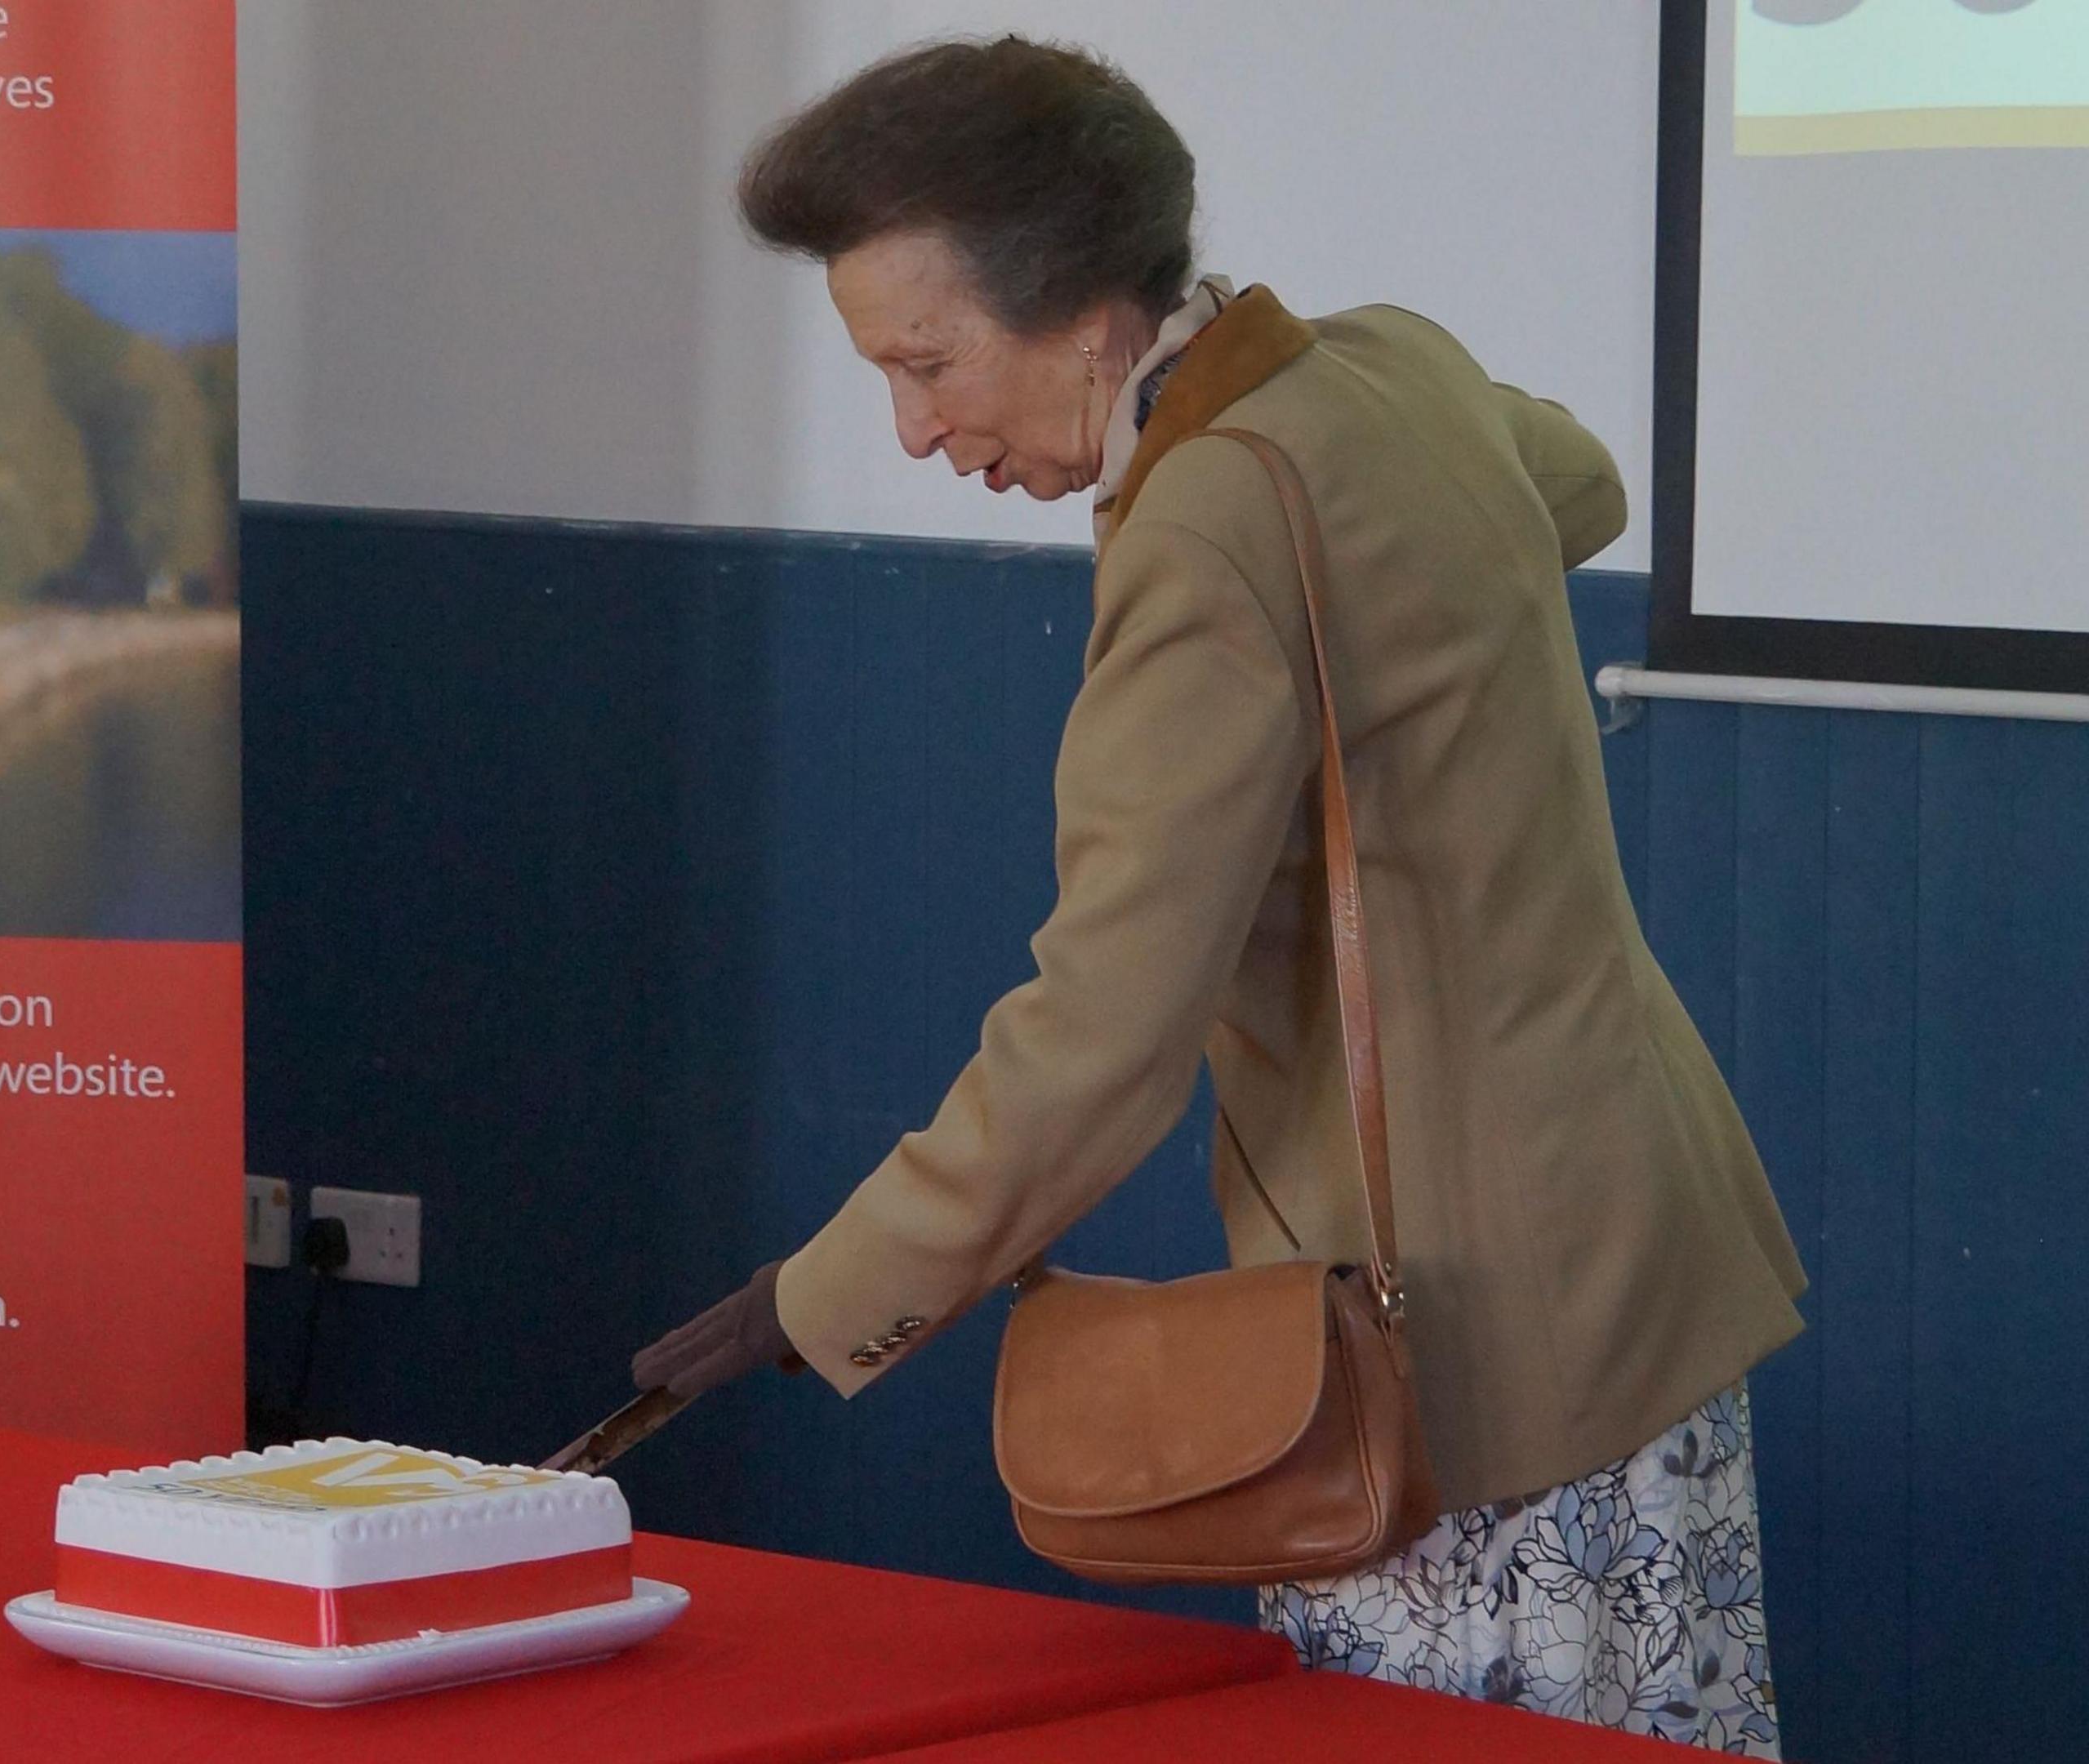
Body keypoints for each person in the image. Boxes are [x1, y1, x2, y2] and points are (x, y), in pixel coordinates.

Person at [627, 38, 1802, 1757]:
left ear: (1085, 309)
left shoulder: (1207, 530)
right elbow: (1586, 484)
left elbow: (1100, 1041)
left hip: (1472, 1358)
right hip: (1638, 1265)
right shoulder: (1386, 372)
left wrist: (822, 1296)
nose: (913, 428)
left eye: (929, 362)